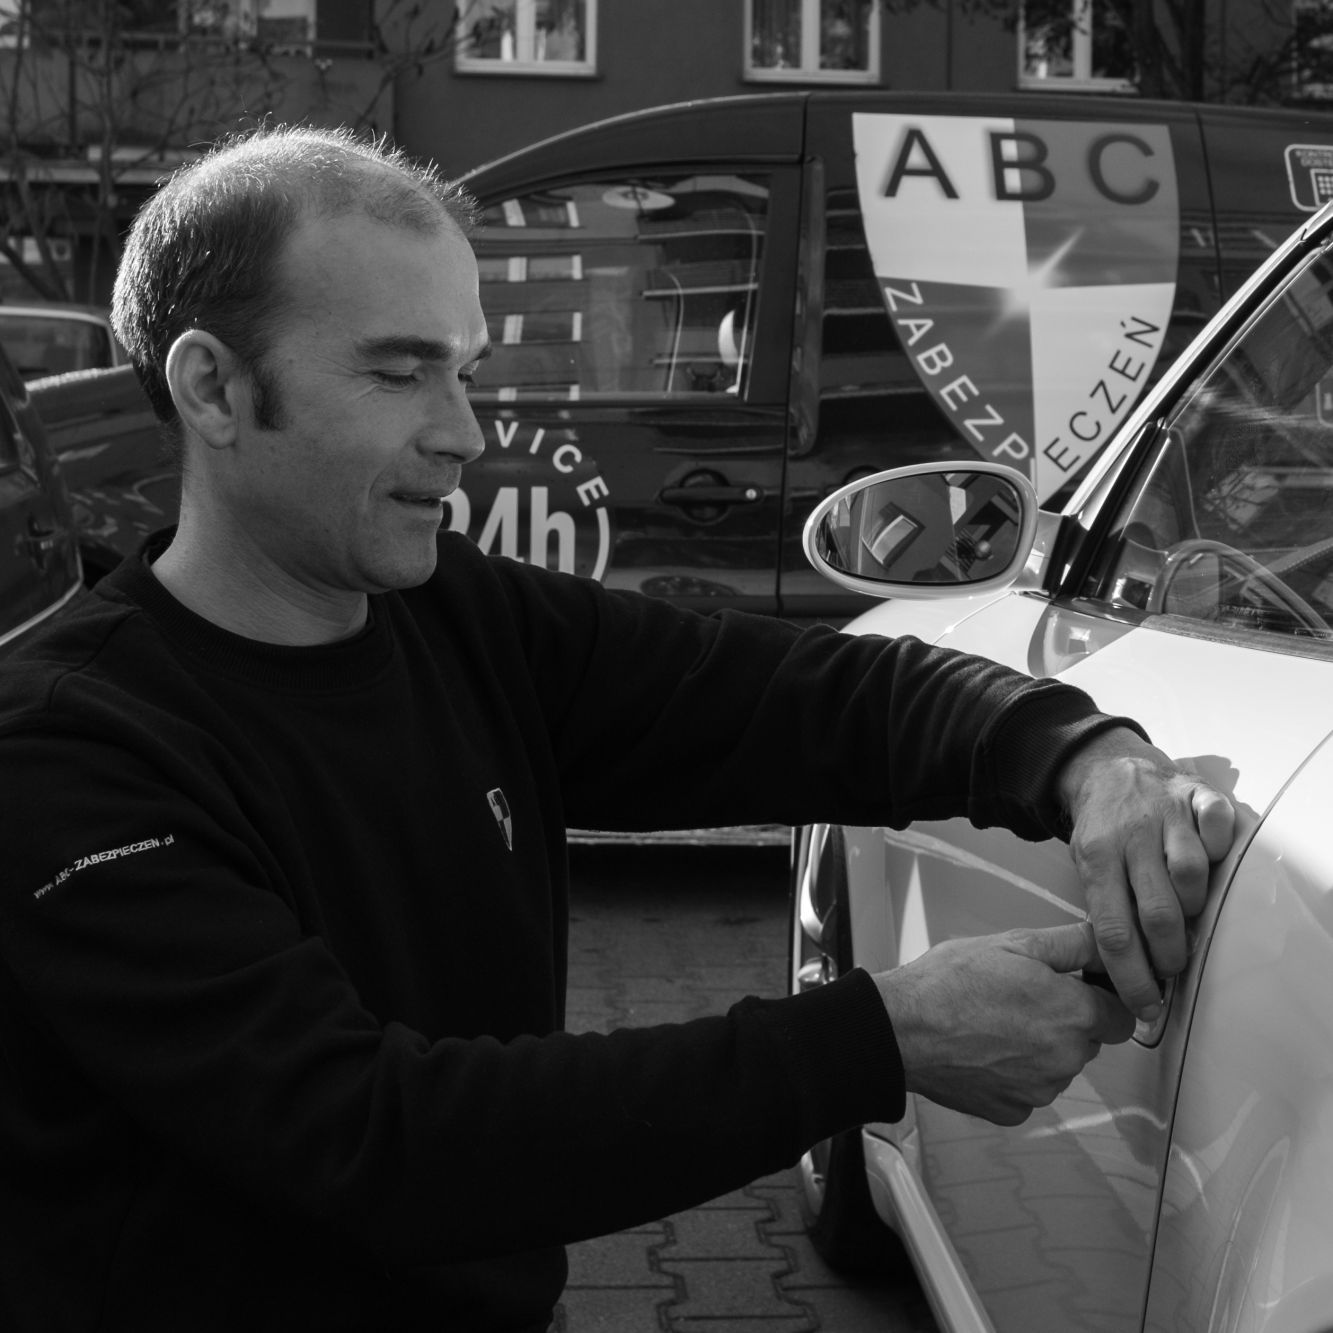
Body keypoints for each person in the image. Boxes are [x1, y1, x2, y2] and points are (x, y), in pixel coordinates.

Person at [0, 125, 1234, 1332]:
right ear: (213, 389)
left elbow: (789, 694)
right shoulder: (71, 751)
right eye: (397, 372)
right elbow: (376, 1137)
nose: (463, 432)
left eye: (465, 371)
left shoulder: (460, 617)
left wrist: (1075, 753)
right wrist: (879, 1036)